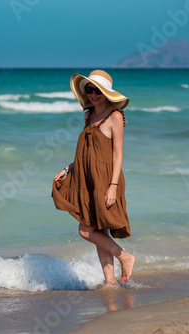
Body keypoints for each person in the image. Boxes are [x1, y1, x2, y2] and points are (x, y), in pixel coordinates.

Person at [52, 70, 135, 289]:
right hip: (87, 177)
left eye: (98, 90)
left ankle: (125, 257)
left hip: (106, 179)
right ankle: (110, 281)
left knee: (85, 230)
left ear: (106, 92)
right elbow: (88, 151)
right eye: (90, 89)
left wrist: (113, 186)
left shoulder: (114, 116)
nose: (93, 94)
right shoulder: (89, 116)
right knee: (99, 231)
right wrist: (68, 168)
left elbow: (117, 154)